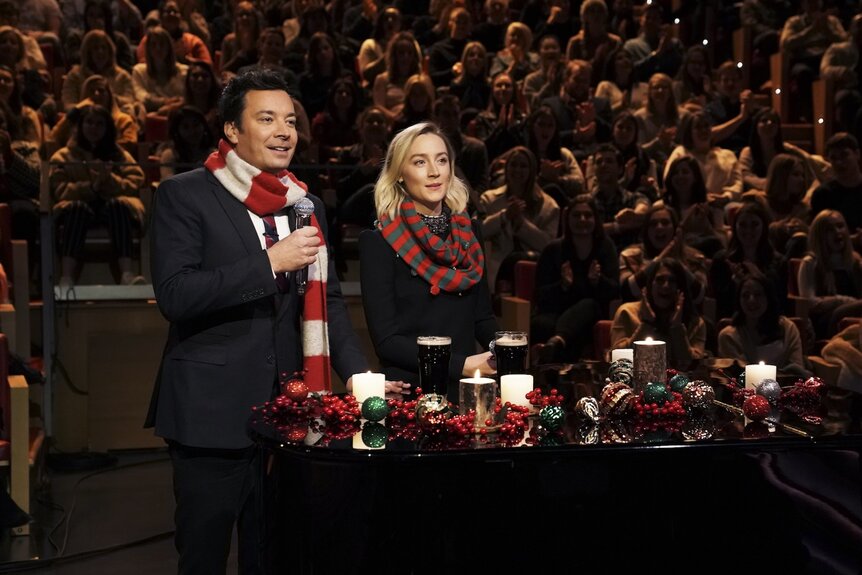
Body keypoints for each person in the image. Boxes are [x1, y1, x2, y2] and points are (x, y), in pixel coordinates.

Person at [146, 69, 392, 574]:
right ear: (232, 130)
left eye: (290, 120)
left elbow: (331, 306)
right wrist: (269, 264)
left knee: (276, 552)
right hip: (210, 414)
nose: (284, 131)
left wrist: (363, 380)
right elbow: (176, 294)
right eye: (267, 119)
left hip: (293, 415)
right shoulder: (185, 194)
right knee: (204, 555)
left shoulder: (307, 205)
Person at [359, 121, 497, 389]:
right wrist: (461, 364)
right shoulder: (380, 242)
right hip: (412, 389)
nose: (434, 172)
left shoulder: (469, 232)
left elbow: (482, 317)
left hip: (466, 386)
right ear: (400, 173)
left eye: (442, 160)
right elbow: (387, 342)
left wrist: (503, 348)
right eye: (420, 162)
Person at [48, 104, 146, 289]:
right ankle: (66, 278)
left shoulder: (119, 154)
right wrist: (91, 186)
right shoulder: (63, 156)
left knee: (119, 206)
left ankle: (127, 275)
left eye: (100, 124)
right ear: (80, 126)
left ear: (107, 128)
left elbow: (136, 180)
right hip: (79, 208)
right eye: (89, 123)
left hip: (109, 206)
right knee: (77, 209)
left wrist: (109, 179)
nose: (94, 128)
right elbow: (60, 190)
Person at [532, 194, 619, 363]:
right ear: (568, 219)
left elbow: (615, 289)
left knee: (586, 305)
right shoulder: (553, 249)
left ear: (595, 220)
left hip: (590, 314)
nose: (582, 219)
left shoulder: (605, 247)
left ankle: (556, 342)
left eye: (587, 215)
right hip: (557, 310)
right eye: (576, 215)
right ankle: (550, 369)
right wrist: (563, 286)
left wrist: (597, 281)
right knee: (541, 324)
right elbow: (540, 294)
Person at [610, 256, 707, 369]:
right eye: (660, 280)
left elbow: (692, 366)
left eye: (672, 281)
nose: (666, 286)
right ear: (650, 285)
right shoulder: (626, 312)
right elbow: (618, 360)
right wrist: (646, 324)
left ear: (680, 288)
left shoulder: (696, 323)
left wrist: (677, 328)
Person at [718, 271, 808, 376]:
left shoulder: (788, 328)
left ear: (768, 298)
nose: (751, 300)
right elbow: (738, 376)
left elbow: (797, 370)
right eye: (745, 296)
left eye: (758, 295)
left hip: (787, 389)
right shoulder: (728, 336)